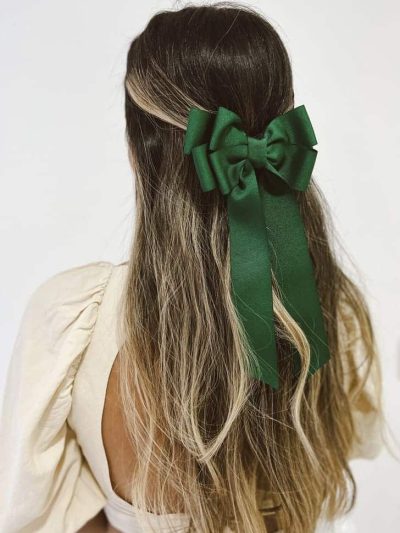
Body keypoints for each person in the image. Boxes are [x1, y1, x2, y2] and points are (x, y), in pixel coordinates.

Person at [0, 3, 385, 532]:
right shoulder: (325, 310)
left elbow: (37, 516)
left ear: (139, 150)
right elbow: (349, 447)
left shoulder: (74, 326)